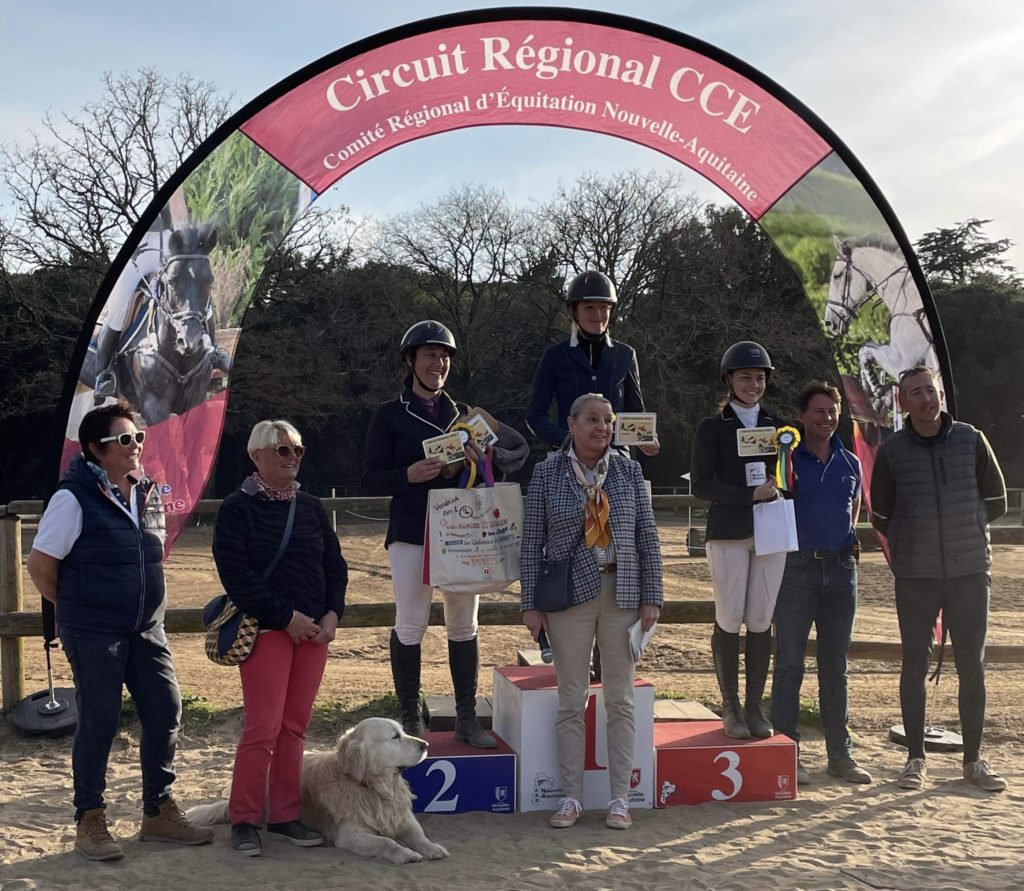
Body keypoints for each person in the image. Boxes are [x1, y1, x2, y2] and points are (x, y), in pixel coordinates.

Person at [26, 402, 212, 861]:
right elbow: (41, 566)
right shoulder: (72, 498)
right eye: (124, 440)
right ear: (95, 449)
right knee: (100, 722)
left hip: (147, 630)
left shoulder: (147, 493)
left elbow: (148, 562)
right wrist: (79, 610)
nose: (136, 447)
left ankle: (158, 811)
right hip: (93, 631)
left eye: (139, 438)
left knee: (166, 709)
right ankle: (89, 819)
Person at [363, 320, 529, 748]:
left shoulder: (466, 416)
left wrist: (488, 456)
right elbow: (369, 477)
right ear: (411, 361)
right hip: (412, 532)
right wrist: (408, 474)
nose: (438, 363)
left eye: (444, 356)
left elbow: (515, 454)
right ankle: (407, 716)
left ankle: (467, 717)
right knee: (411, 624)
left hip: (462, 531)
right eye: (430, 355)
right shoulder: (389, 414)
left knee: (463, 625)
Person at [521, 393, 663, 831]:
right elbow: (531, 544)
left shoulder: (629, 470)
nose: (601, 428)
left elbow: (647, 537)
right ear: (572, 423)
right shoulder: (546, 473)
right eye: (592, 420)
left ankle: (620, 798)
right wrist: (530, 604)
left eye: (607, 420)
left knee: (620, 699)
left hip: (622, 592)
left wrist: (652, 597)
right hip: (568, 598)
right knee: (571, 700)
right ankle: (570, 797)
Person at [212, 419, 348, 856]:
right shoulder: (237, 509)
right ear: (256, 456)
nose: (292, 458)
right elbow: (237, 576)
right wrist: (286, 618)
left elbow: (334, 566)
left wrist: (331, 614)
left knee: (294, 728)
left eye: (297, 450)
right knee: (263, 728)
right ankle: (245, 818)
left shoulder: (309, 507)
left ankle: (286, 814)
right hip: (269, 630)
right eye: (282, 450)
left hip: (313, 634)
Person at [870, 366, 1008, 792]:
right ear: (903, 402)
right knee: (914, 664)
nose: (926, 399)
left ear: (940, 394)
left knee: (973, 667)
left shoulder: (972, 439)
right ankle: (915, 758)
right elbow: (880, 515)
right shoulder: (892, 451)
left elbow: (997, 501)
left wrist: (964, 535)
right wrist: (915, 548)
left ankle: (973, 761)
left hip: (969, 574)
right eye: (916, 392)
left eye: (930, 390)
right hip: (917, 577)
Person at [770, 382, 871, 786]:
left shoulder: (851, 462)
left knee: (835, 668)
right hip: (798, 571)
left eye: (832, 411)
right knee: (789, 665)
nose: (826, 418)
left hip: (842, 571)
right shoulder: (787, 458)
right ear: (802, 415)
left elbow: (854, 510)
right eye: (818, 411)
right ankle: (786, 751)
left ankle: (839, 755)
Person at [690, 341, 786, 740]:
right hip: (729, 532)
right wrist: (749, 495)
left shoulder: (780, 429)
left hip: (770, 531)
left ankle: (754, 706)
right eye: (746, 377)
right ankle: (730, 706)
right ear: (729, 380)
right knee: (730, 619)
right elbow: (701, 484)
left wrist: (779, 489)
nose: (754, 384)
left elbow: (787, 478)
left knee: (762, 620)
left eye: (760, 378)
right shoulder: (712, 428)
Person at [526, 270, 659, 457]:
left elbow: (635, 412)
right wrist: (566, 440)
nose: (598, 314)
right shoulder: (555, 355)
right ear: (574, 311)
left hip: (615, 458)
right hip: (568, 456)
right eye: (589, 307)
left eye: (604, 307)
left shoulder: (625, 354)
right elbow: (535, 415)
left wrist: (647, 438)